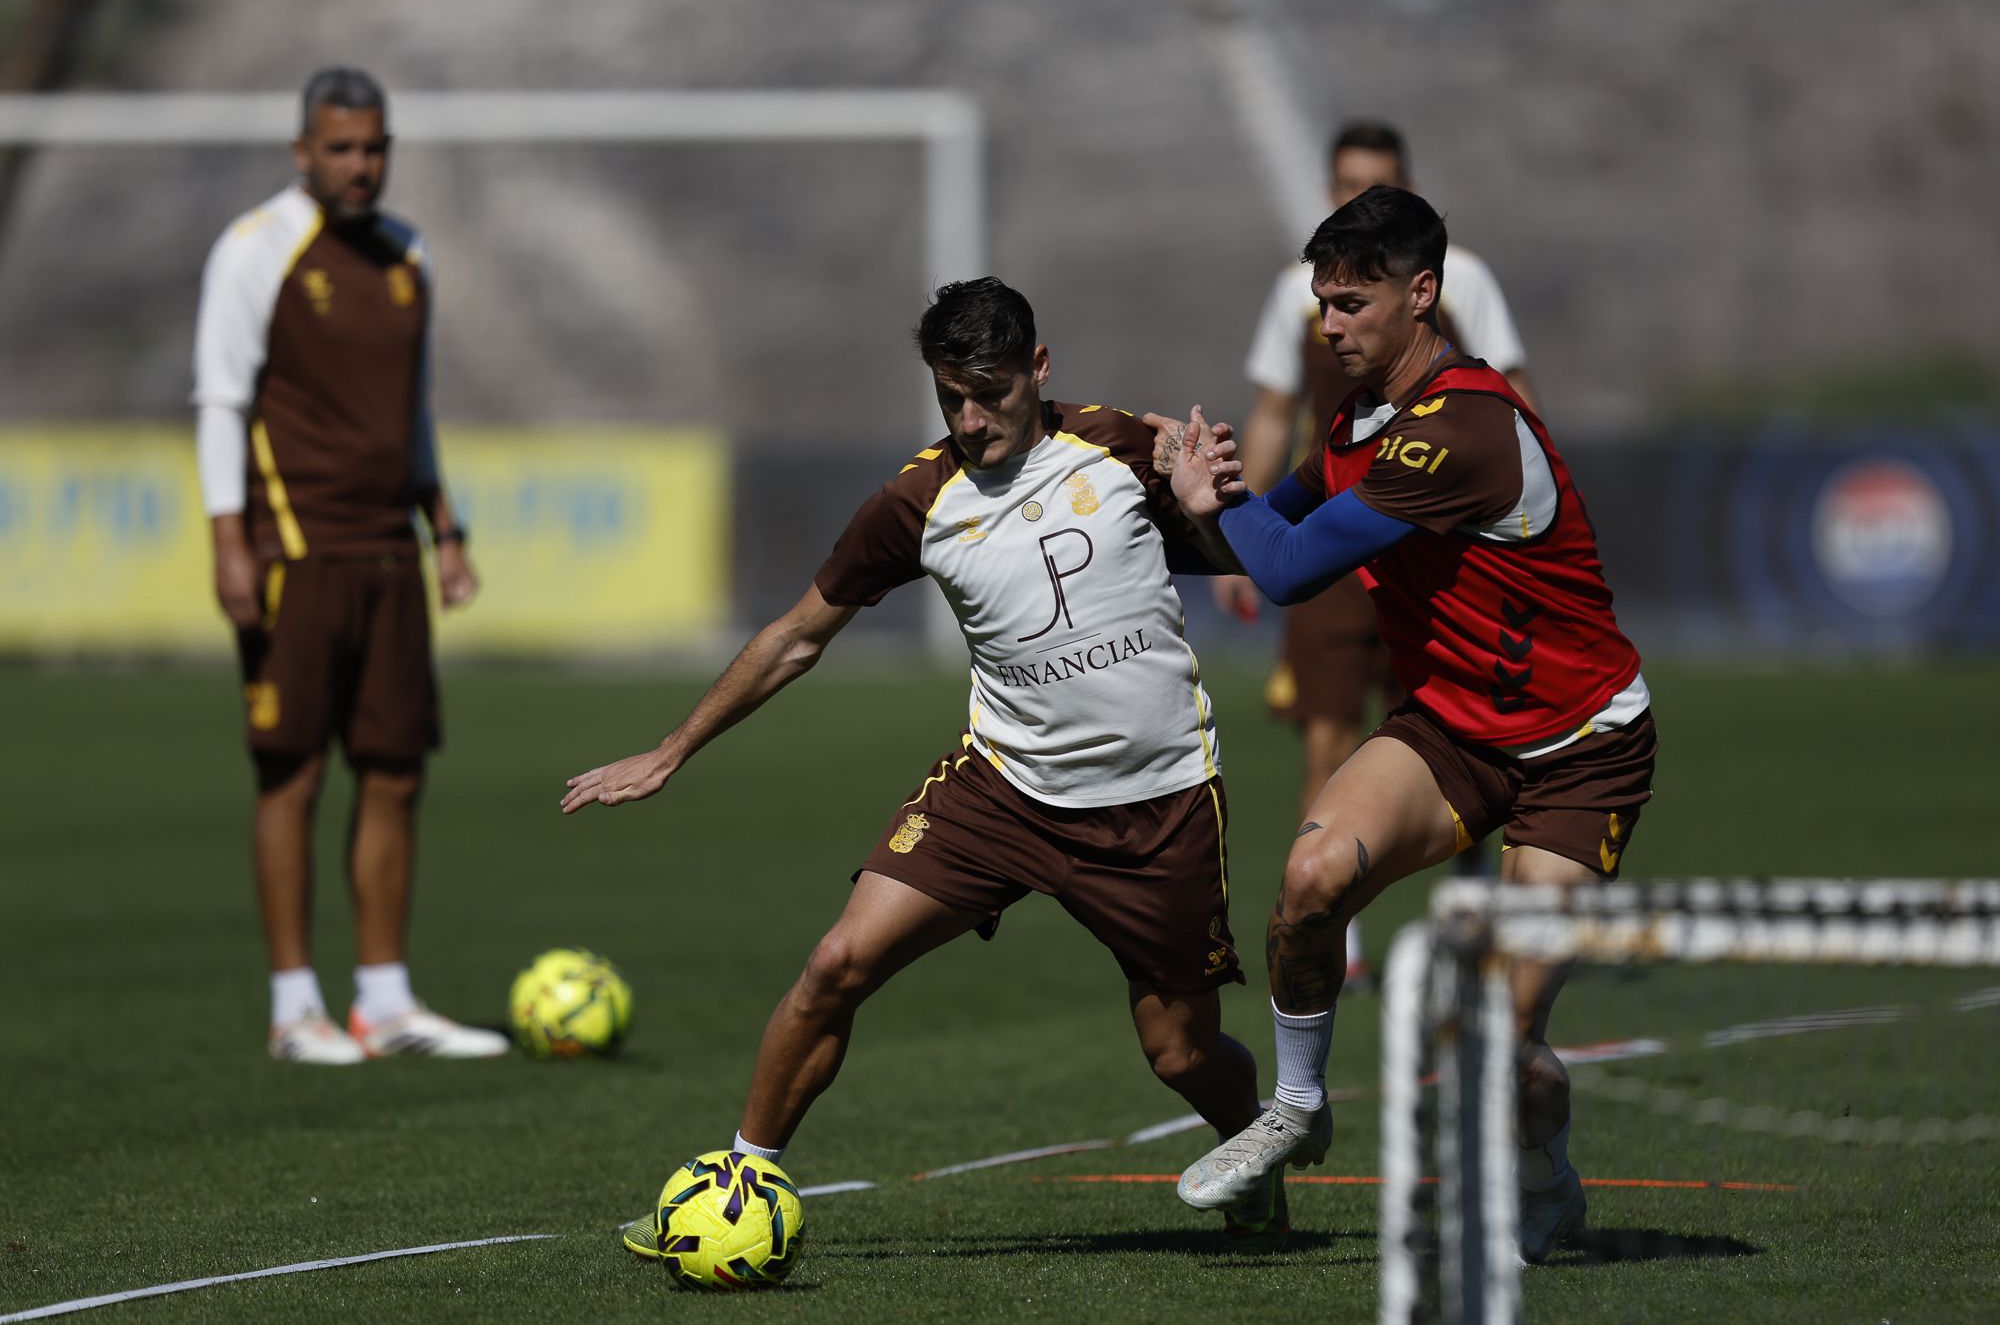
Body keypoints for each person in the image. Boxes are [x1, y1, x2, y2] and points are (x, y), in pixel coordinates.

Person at [562, 278, 1280, 1246]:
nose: (971, 419)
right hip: (1004, 792)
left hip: (1156, 806)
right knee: (835, 961)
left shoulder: (1119, 444)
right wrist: (671, 747)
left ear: (1039, 368)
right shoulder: (915, 501)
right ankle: (737, 1184)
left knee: (1180, 1052)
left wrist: (1205, 506)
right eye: (951, 398)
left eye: (990, 392)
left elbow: (1246, 554)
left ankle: (1251, 1141)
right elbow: (793, 638)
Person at [1158, 187, 1655, 1263]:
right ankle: (1293, 1107)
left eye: (1349, 303)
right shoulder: (1355, 423)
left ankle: (1547, 1180)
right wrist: (1146, 506)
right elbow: (1254, 533)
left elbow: (1282, 566)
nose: (1326, 326)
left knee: (1500, 1043)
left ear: (1419, 294)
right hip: (1452, 731)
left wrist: (1212, 502)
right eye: (1319, 304)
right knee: (1307, 883)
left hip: (1578, 748)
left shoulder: (1463, 425)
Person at [191, 66, 505, 1064]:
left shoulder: (407, 253)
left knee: (395, 767)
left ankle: (383, 999)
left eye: (373, 147)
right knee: (290, 772)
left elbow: (410, 413)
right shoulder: (255, 250)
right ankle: (295, 1007)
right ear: (303, 153)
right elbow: (220, 403)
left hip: (387, 548)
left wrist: (442, 529)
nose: (359, 165)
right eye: (340, 148)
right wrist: (227, 539)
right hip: (296, 545)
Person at [1218, 121, 1542, 985]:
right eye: (1347, 185)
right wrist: (1224, 537)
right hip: (1337, 539)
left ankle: (1473, 916)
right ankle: (1341, 945)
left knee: (1461, 740)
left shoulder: (1462, 291)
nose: (1332, 322)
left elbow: (1514, 395)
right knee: (1327, 734)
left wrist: (1538, 513)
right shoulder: (1306, 308)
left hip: (1432, 551)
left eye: (1379, 184)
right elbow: (1274, 418)